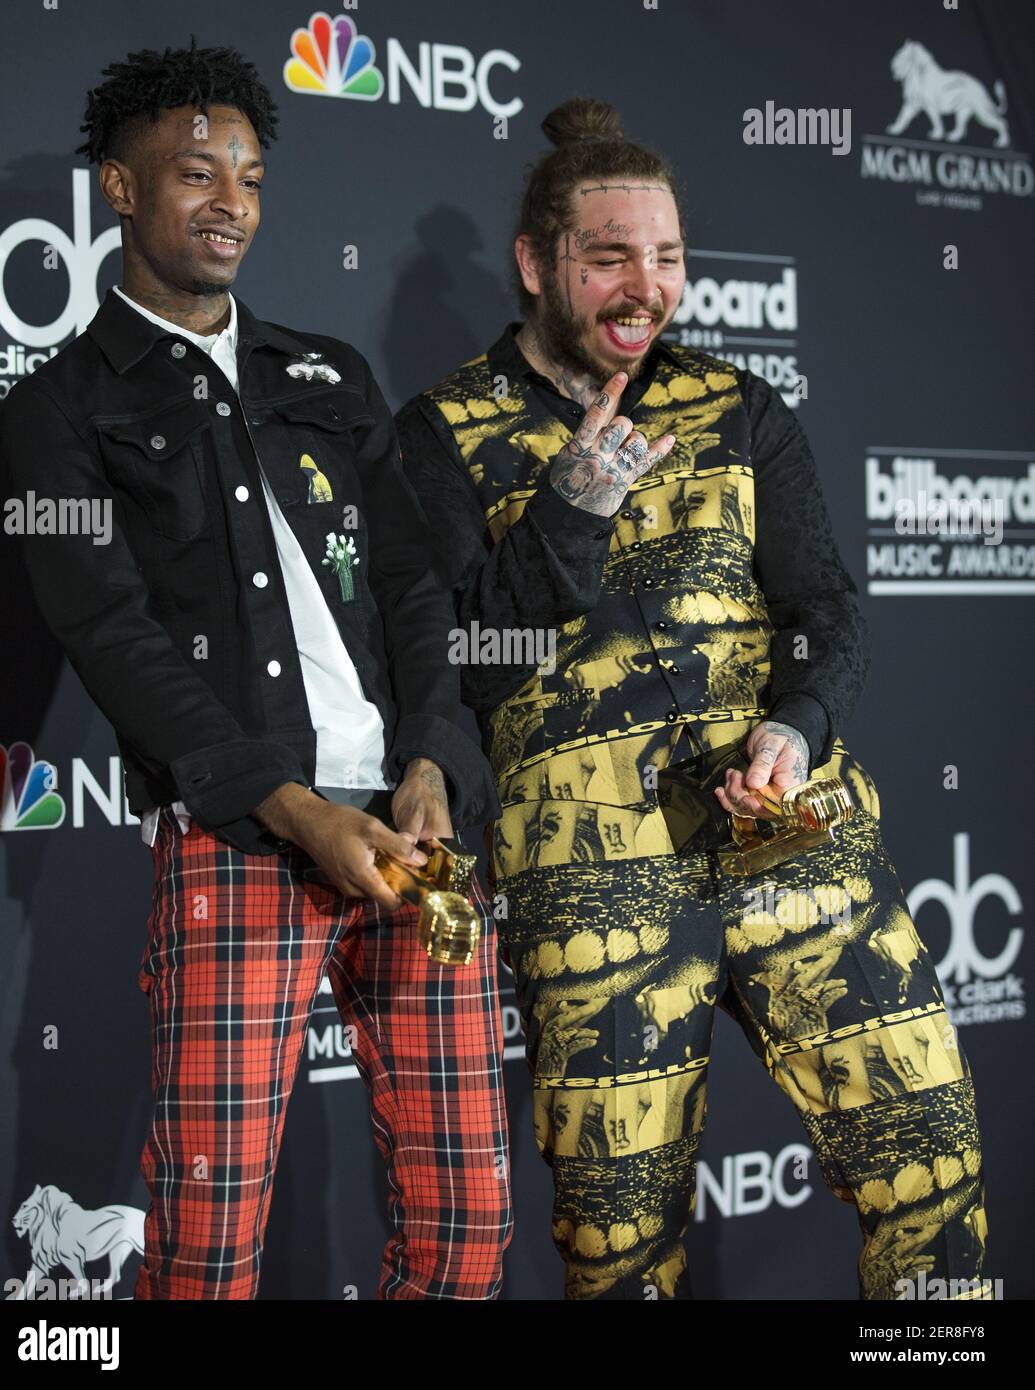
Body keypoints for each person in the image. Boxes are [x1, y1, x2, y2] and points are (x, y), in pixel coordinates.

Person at [394, 97, 990, 1301]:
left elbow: (825, 607)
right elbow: (457, 668)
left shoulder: (736, 407)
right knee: (619, 1255)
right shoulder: (439, 433)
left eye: (665, 258)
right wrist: (567, 507)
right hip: (591, 880)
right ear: (537, 263)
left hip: (791, 838)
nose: (644, 287)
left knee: (930, 1173)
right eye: (609, 257)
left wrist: (796, 726)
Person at [2, 41, 512, 1300]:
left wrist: (434, 766)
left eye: (250, 177)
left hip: (413, 833)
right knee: (208, 1244)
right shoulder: (54, 412)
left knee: (468, 1225)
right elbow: (114, 639)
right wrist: (294, 809)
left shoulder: (328, 373)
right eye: (194, 173)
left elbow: (410, 589)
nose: (231, 201)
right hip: (242, 841)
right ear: (119, 191)